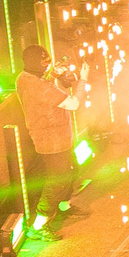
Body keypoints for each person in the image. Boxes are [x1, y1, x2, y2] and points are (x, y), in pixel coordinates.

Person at [15, 42, 83, 222]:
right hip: (53, 142)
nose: (47, 64)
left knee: (71, 171)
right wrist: (83, 79)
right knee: (57, 180)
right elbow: (73, 103)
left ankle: (63, 207)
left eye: (48, 61)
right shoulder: (41, 87)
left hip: (57, 139)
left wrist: (52, 75)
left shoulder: (24, 78)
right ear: (34, 63)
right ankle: (40, 224)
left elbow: (42, 91)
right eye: (44, 62)